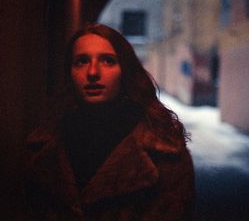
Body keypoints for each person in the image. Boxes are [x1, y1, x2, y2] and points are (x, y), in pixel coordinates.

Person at [23, 23, 195, 220]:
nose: (93, 72)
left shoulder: (164, 153)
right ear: (69, 72)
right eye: (82, 61)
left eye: (107, 61)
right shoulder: (41, 147)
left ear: (126, 70)